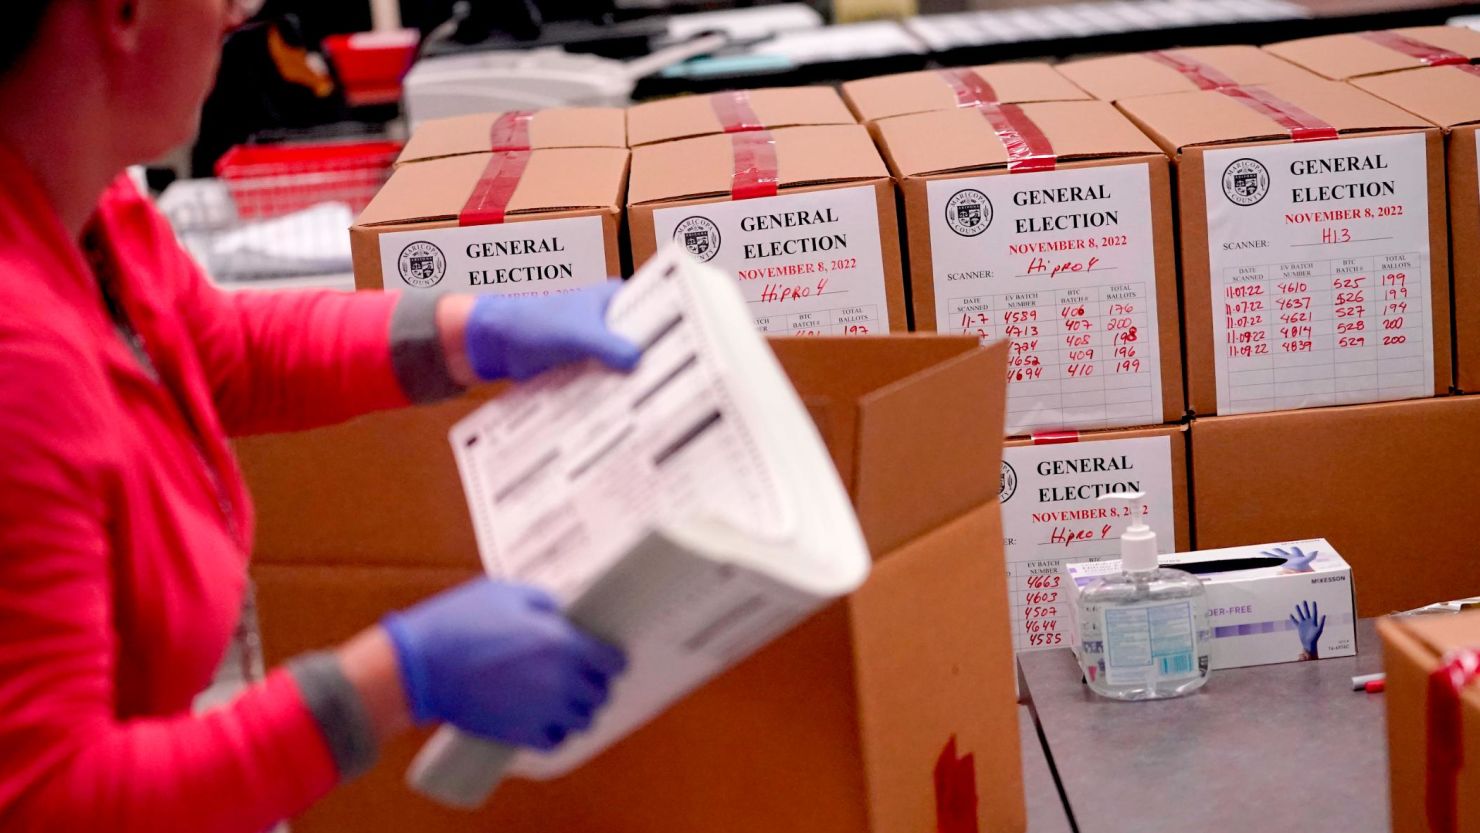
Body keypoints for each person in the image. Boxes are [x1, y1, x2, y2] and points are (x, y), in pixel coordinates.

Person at [0, 1, 642, 830]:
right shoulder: (17, 360)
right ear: (119, 13)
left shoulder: (86, 210)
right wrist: (394, 679)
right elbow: (53, 800)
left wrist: (468, 330)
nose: (240, 10)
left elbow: (219, 348)